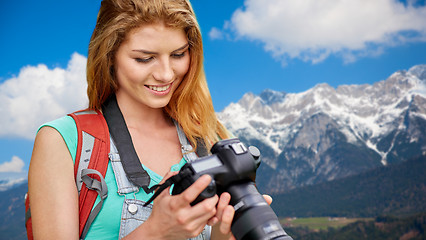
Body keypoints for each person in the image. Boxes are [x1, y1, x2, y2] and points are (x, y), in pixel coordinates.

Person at [28, 0, 271, 239]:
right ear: (109, 55)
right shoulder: (63, 141)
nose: (166, 74)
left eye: (178, 54)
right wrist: (157, 231)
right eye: (145, 58)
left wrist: (225, 233)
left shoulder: (209, 138)